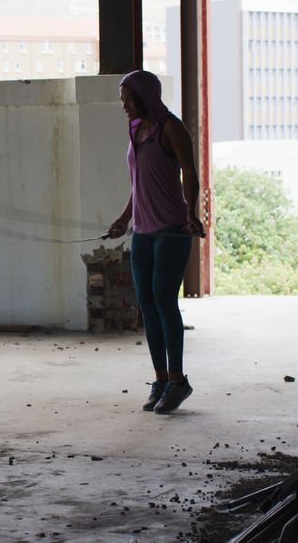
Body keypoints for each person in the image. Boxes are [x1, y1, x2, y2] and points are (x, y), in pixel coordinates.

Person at [105, 70, 204, 415]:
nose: (125, 107)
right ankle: (161, 379)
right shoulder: (135, 130)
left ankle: (178, 381)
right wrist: (124, 218)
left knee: (164, 301)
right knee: (147, 305)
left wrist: (191, 212)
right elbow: (139, 183)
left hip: (172, 230)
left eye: (129, 100)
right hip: (143, 232)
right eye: (123, 101)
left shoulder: (171, 128)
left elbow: (189, 172)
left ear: (147, 96)